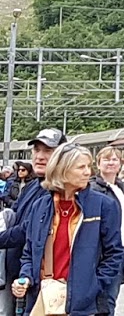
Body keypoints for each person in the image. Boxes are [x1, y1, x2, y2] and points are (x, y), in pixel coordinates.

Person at [11, 144, 124, 316]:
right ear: (62, 170)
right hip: (43, 299)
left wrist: (93, 286)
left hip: (82, 305)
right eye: (81, 167)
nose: (88, 172)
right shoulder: (40, 206)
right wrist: (25, 278)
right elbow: (29, 252)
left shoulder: (104, 205)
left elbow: (114, 254)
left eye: (88, 166)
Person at [0, 129, 70, 302]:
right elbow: (16, 217)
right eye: (36, 150)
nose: (39, 156)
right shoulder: (33, 186)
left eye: (47, 151)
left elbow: (27, 231)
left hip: (41, 280)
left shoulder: (60, 192)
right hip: (19, 275)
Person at [90, 147, 124, 316]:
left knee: (111, 296)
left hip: (123, 247)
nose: (111, 163)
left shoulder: (123, 187)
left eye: (115, 160)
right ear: (98, 163)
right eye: (106, 159)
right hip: (105, 252)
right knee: (104, 300)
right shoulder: (93, 188)